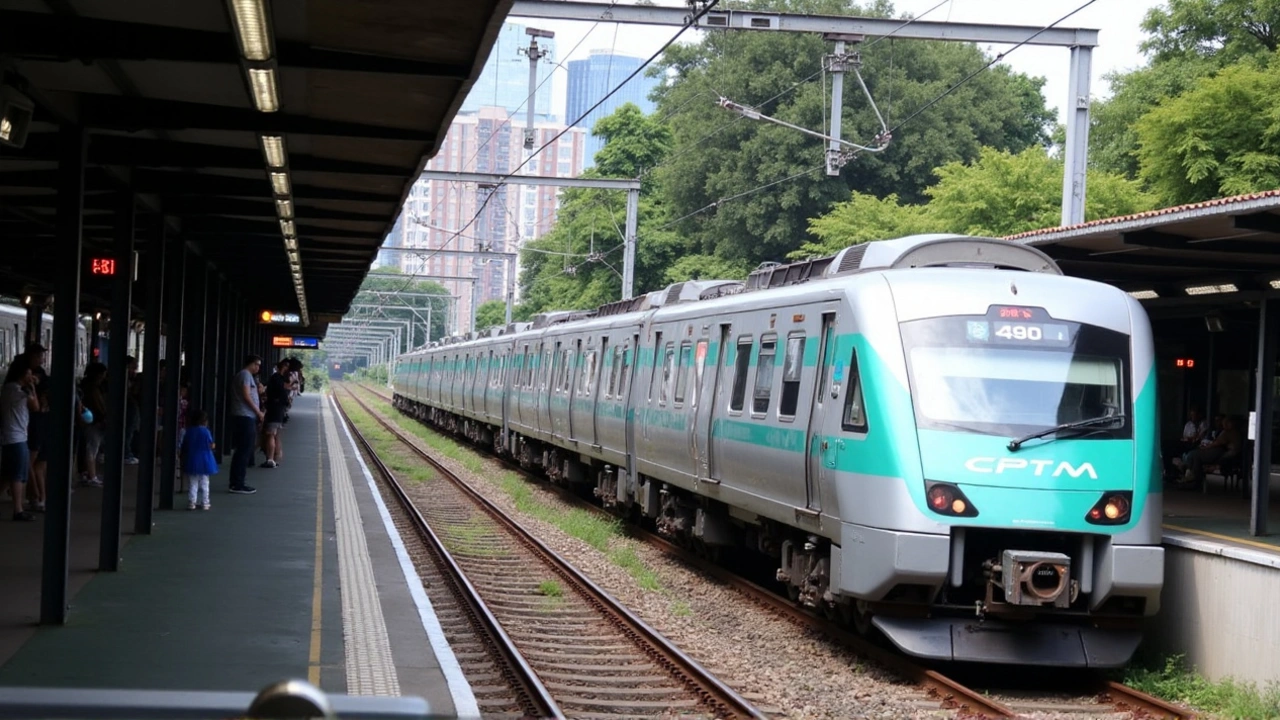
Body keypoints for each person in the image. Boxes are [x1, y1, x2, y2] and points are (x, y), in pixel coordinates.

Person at [2, 357, 41, 521]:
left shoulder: (10, 388)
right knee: (17, 474)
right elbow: (35, 406)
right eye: (28, 373)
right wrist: (32, 386)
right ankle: (18, 510)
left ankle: (18, 508)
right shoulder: (16, 390)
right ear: (22, 373)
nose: (31, 376)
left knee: (7, 474)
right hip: (15, 437)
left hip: (13, 436)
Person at [228, 355, 262, 495]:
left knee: (244, 450)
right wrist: (258, 412)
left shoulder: (246, 376)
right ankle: (237, 484)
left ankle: (237, 482)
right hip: (244, 416)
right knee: (244, 450)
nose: (258, 368)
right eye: (257, 364)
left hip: (245, 416)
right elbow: (246, 396)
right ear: (251, 364)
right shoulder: (245, 375)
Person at [182, 408, 218, 511]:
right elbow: (211, 445)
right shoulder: (206, 431)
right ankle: (205, 503)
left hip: (192, 459)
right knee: (205, 482)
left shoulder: (189, 431)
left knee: (193, 482)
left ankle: (192, 502)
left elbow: (185, 446)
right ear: (205, 421)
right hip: (205, 460)